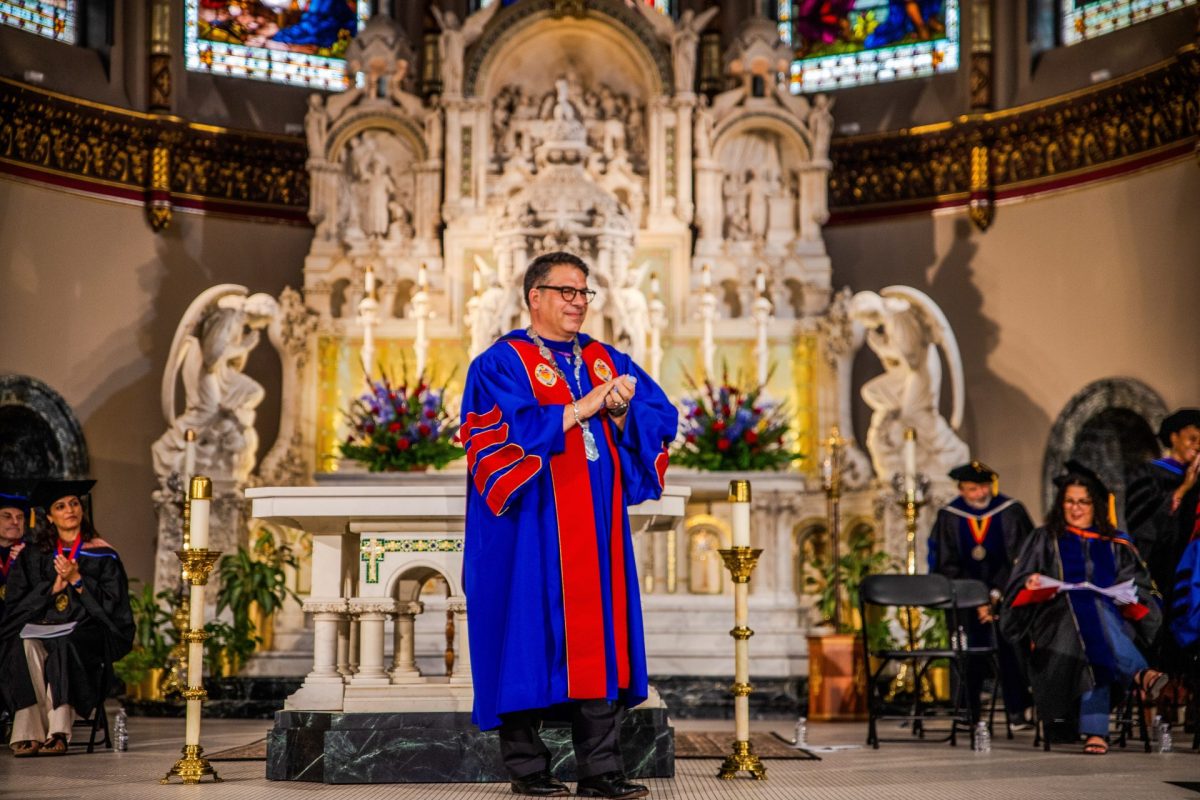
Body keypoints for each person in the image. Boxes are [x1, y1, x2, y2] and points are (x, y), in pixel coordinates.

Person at [458, 251, 678, 799]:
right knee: (524, 636)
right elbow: (495, 437)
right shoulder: (500, 363)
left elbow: (658, 418)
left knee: (598, 637)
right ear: (535, 297)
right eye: (567, 292)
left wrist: (624, 410)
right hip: (528, 531)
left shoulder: (606, 359)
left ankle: (601, 770)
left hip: (594, 532)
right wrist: (585, 406)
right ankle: (528, 770)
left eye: (584, 293)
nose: (578, 302)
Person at [1001, 461, 1164, 755]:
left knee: (1094, 628)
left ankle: (1096, 732)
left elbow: (1142, 589)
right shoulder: (1044, 539)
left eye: (1084, 502)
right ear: (1061, 504)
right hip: (1056, 624)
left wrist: (1129, 596)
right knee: (1089, 615)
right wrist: (1031, 582)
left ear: (1096, 505)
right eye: (1070, 502)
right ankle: (1138, 673)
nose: (1076, 509)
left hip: (1109, 625)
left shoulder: (1116, 544)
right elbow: (1017, 585)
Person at [0, 480, 134, 757]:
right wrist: (52, 588)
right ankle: (28, 733)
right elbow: (15, 604)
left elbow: (114, 607)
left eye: (74, 503)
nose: (69, 509)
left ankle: (59, 732)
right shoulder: (35, 556)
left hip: (85, 633)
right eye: (60, 506)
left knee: (66, 643)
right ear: (49, 516)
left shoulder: (102, 554)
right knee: (22, 644)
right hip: (43, 627)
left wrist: (78, 580)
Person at [927, 461, 1034, 728]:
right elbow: (946, 563)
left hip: (1006, 597)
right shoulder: (950, 516)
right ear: (962, 489)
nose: (977, 494)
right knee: (967, 651)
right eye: (970, 489)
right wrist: (975, 599)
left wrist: (995, 597)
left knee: (1011, 650)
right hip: (965, 600)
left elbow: (1021, 560)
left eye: (982, 487)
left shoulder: (1010, 511)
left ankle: (1017, 711)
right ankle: (967, 710)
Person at [1126, 408, 1200, 680]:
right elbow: (1142, 526)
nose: (1198, 445)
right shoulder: (1149, 474)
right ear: (1174, 437)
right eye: (1193, 438)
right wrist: (1183, 490)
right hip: (1165, 572)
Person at [0, 481, 33, 620]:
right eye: (7, 516)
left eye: (20, 517)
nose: (15, 522)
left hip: (21, 626)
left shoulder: (35, 554)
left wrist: (28, 563)